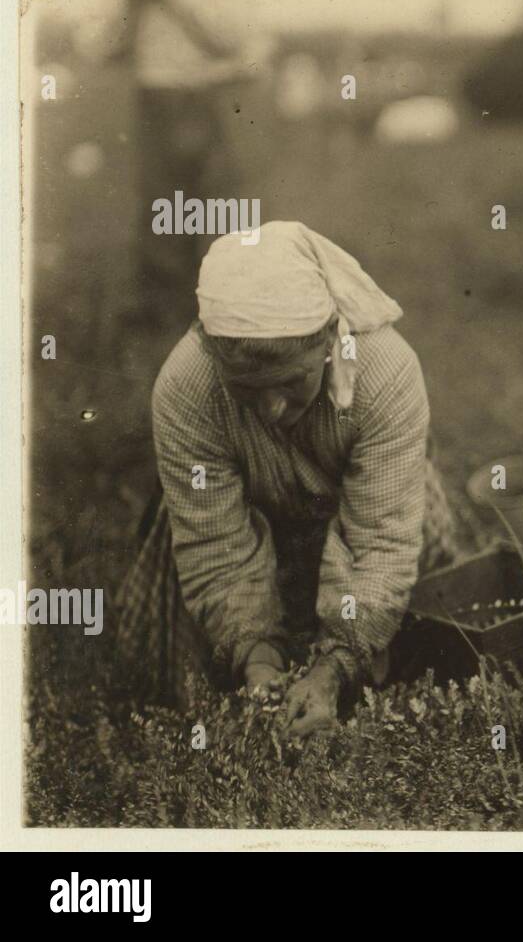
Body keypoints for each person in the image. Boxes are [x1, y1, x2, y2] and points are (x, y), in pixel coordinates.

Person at [116, 222, 457, 738]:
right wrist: (258, 666)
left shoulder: (386, 373)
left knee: (415, 673)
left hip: (366, 534)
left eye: (292, 382)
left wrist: (332, 670)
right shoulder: (187, 388)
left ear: (326, 341)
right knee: (204, 701)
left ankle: (373, 680)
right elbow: (215, 543)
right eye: (246, 389)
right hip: (251, 533)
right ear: (215, 356)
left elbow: (383, 542)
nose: (272, 409)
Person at [79, 0, 265, 330]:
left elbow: (232, 37)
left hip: (213, 97)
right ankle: (165, 315)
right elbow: (98, 47)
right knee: (163, 209)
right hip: (155, 96)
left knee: (220, 208)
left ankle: (232, 316)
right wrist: (135, 2)